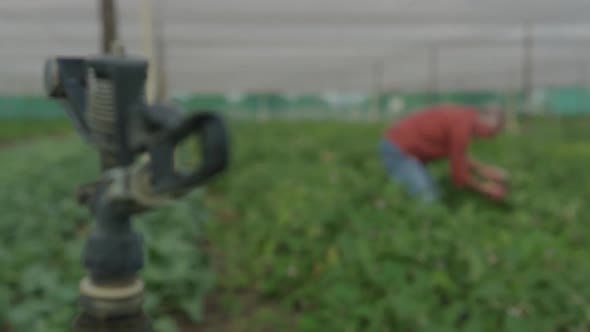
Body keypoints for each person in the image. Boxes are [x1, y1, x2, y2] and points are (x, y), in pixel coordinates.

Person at [378, 102, 508, 202]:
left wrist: (483, 169)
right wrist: (486, 188)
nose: (491, 137)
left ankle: (392, 201)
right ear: (486, 121)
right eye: (493, 131)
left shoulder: (466, 117)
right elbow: (459, 176)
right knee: (427, 198)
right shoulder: (461, 127)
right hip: (399, 151)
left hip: (406, 151)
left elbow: (457, 155)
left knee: (433, 194)